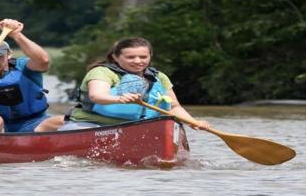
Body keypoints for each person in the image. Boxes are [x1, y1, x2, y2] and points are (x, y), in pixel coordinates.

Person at [60, 37, 210, 132]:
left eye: (143, 57)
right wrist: (119, 99)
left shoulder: (159, 77)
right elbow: (97, 96)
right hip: (94, 124)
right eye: (130, 57)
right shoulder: (101, 72)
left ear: (150, 56)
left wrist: (193, 122)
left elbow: (174, 107)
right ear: (115, 57)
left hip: (139, 127)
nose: (138, 61)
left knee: (172, 127)